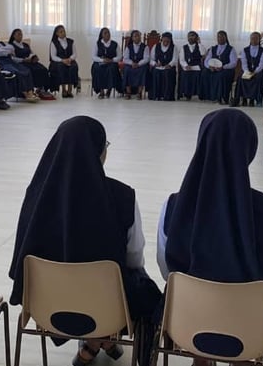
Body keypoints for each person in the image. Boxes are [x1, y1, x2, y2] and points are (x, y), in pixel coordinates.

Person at [9, 116, 162, 366]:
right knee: (143, 286)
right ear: (99, 151)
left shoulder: (35, 194)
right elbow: (134, 258)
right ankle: (103, 338)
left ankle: (94, 343)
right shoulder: (122, 196)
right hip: (112, 305)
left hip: (48, 305)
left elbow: (22, 252)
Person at [158, 109, 263, 365]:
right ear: (250, 151)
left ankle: (200, 358)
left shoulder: (174, 206)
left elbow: (168, 271)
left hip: (187, 319)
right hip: (252, 323)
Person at [0, 27, 40, 103]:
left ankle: (30, 92)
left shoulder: (1, 43)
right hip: (2, 64)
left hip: (10, 61)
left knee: (26, 70)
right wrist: (5, 50)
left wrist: (3, 50)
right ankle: (26, 94)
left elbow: (11, 48)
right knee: (17, 72)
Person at [7, 28, 54, 100]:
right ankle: (30, 90)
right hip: (21, 63)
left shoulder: (25, 44)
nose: (20, 36)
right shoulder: (11, 46)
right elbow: (12, 58)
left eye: (21, 34)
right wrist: (23, 60)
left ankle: (41, 89)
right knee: (32, 71)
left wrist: (34, 57)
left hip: (30, 62)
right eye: (18, 34)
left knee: (43, 69)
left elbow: (31, 53)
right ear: (14, 36)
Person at [200, 30, 238, 105]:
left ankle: (220, 97)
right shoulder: (213, 48)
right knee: (204, 73)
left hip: (225, 70)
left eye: (222, 37)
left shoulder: (231, 49)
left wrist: (223, 67)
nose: (220, 39)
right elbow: (206, 61)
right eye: (218, 37)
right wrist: (209, 67)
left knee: (220, 76)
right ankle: (208, 96)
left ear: (225, 38)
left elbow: (233, 63)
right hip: (213, 68)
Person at [236, 31, 263, 107]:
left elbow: (262, 64)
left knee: (258, 79)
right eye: (252, 38)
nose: (254, 40)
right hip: (247, 70)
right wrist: (247, 71)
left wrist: (255, 72)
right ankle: (243, 99)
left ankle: (253, 99)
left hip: (258, 71)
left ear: (259, 40)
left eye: (256, 39)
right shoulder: (245, 50)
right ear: (250, 39)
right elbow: (243, 62)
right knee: (241, 78)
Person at [49, 25, 80, 98]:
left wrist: (69, 59)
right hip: (58, 61)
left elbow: (75, 54)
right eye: (61, 32)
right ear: (57, 33)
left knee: (73, 67)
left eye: (64, 31)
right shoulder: (54, 42)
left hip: (69, 60)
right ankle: (63, 89)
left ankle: (70, 89)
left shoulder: (71, 41)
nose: (63, 33)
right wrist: (62, 60)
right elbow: (53, 56)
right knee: (61, 67)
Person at [91, 27, 122, 99]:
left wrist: (112, 60)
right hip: (100, 62)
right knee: (97, 68)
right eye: (105, 33)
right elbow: (93, 56)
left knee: (112, 68)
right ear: (102, 35)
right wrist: (103, 60)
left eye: (108, 32)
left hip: (111, 62)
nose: (107, 34)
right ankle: (101, 91)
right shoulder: (97, 44)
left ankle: (109, 89)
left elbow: (120, 56)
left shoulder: (115, 44)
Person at [148, 32, 178, 101]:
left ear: (170, 40)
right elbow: (151, 59)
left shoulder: (174, 47)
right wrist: (155, 64)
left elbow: (175, 59)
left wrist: (170, 65)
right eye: (164, 40)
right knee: (156, 72)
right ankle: (156, 95)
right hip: (158, 66)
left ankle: (167, 96)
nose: (166, 42)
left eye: (168, 40)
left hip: (168, 67)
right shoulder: (156, 46)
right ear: (162, 39)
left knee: (168, 73)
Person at [121, 30, 149, 100]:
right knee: (126, 69)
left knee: (143, 69)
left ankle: (139, 92)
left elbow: (146, 58)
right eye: (135, 36)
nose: (137, 37)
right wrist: (132, 63)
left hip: (141, 65)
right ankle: (128, 92)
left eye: (138, 36)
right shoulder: (128, 47)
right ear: (132, 38)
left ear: (140, 37)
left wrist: (138, 64)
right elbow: (125, 59)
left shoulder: (145, 47)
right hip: (131, 65)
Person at [178, 31, 206, 101]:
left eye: (193, 36)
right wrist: (186, 65)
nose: (190, 37)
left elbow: (203, 53)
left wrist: (199, 43)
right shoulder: (184, 47)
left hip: (197, 67)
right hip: (187, 67)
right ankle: (187, 94)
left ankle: (200, 94)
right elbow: (181, 59)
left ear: (196, 37)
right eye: (189, 36)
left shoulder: (200, 46)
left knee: (199, 74)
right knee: (186, 74)